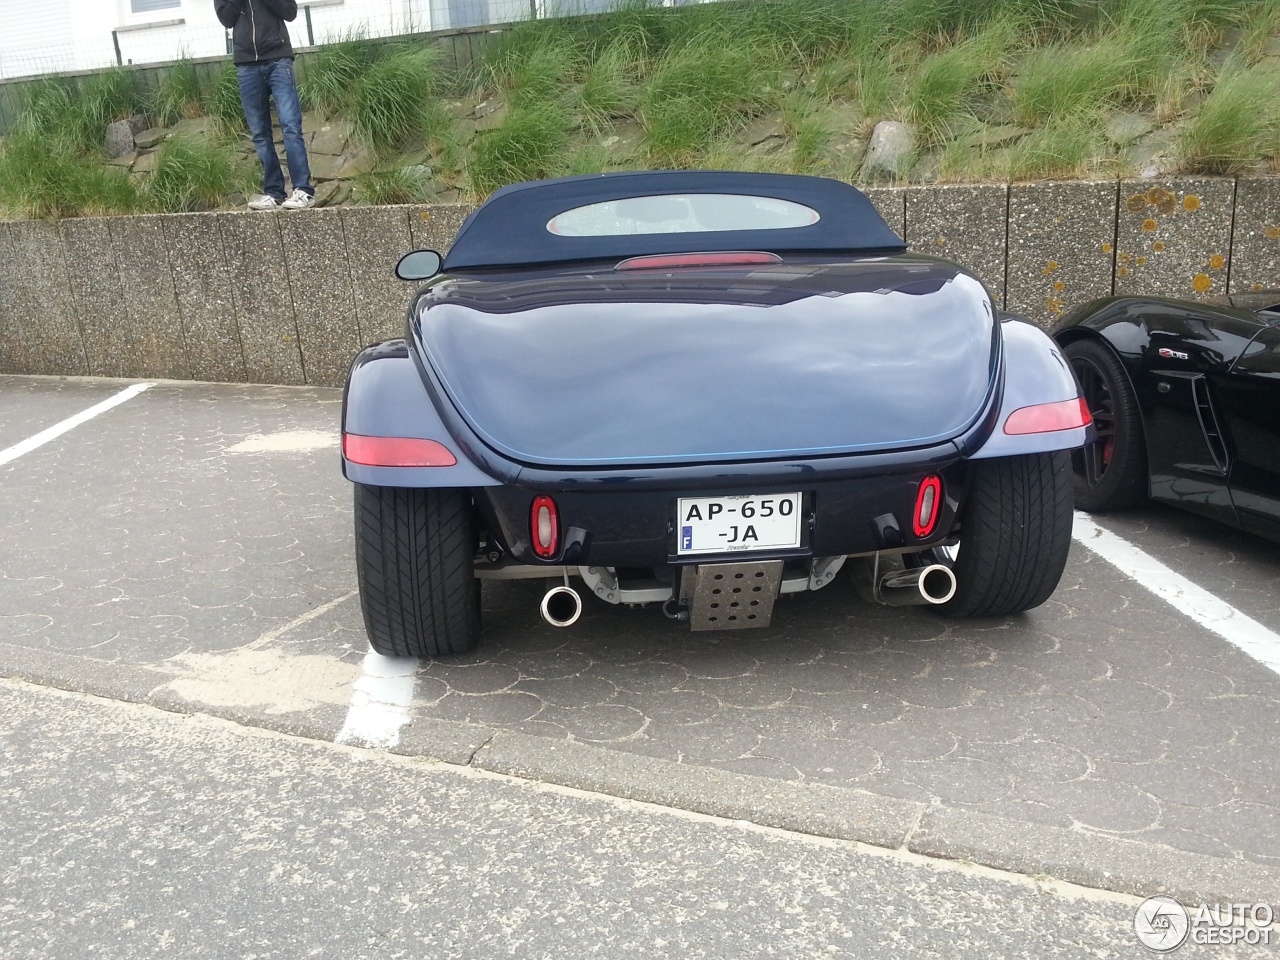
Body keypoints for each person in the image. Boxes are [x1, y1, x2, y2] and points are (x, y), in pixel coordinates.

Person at [214, 0, 315, 210]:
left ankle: (303, 191)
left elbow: (290, 12)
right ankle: (274, 192)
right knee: (259, 134)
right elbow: (226, 18)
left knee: (291, 127)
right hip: (246, 65)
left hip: (278, 59)